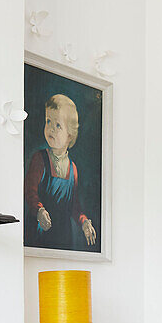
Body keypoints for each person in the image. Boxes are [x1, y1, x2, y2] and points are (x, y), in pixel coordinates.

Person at [24, 94, 97, 250]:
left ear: (69, 135)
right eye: (48, 121)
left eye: (58, 125)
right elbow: (30, 194)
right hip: (39, 235)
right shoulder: (39, 159)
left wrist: (84, 221)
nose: (51, 128)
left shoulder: (73, 169)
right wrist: (39, 211)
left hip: (63, 237)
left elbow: (74, 206)